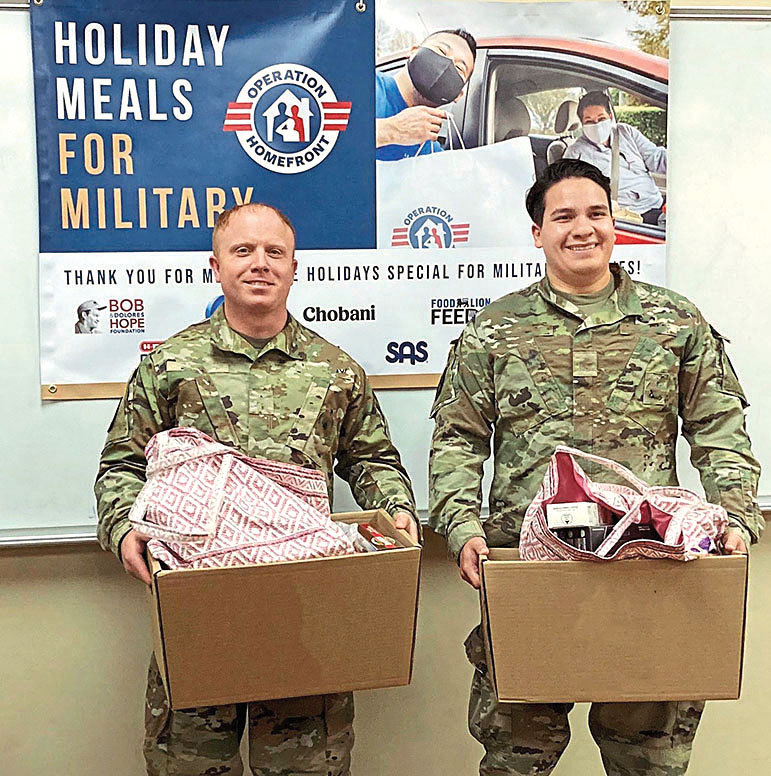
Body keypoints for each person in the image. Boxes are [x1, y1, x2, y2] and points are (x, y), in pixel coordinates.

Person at [428, 158, 762, 775]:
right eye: (563, 216)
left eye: (596, 213)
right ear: (537, 232)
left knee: (647, 758)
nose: (582, 229)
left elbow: (719, 431)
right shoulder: (495, 330)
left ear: (616, 224)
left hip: (648, 566)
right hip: (531, 570)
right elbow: (457, 438)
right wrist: (460, 526)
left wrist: (736, 516)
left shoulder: (674, 322)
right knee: (516, 756)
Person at [95, 202, 419, 776]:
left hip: (306, 612)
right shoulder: (171, 364)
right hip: (199, 605)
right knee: (189, 765)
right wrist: (125, 530)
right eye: (243, 251)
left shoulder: (334, 369)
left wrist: (395, 515)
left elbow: (371, 459)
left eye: (275, 252)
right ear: (215, 266)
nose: (259, 264)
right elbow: (122, 463)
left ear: (296, 267)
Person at [564, 90, 667, 224]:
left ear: (610, 117)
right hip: (631, 219)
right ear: (582, 123)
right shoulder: (575, 154)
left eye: (601, 119)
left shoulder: (626, 132)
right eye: (589, 122)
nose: (596, 125)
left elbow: (657, 158)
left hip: (657, 203)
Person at [376, 28, 476, 161]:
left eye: (459, 68)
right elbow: (339, 135)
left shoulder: (431, 154)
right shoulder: (361, 85)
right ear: (414, 52)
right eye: (441, 51)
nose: (447, 65)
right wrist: (393, 130)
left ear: (459, 95)